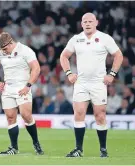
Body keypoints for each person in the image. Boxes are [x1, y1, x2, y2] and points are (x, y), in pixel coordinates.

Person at [60, 13, 123, 157]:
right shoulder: (76, 39)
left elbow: (118, 55)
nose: (87, 23)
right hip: (81, 83)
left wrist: (112, 74)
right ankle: (78, 149)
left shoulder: (104, 38)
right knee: (79, 113)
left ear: (96, 23)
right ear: (81, 24)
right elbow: (64, 56)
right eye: (85, 21)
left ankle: (103, 149)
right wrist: (69, 73)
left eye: (90, 21)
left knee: (99, 115)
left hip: (98, 83)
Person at [0, 32, 44, 155]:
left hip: (23, 87)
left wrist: (28, 85)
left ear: (10, 43)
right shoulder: (1, 54)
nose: (3, 51)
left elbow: (36, 68)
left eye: (4, 48)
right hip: (8, 89)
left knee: (26, 115)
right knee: (10, 117)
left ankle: (36, 142)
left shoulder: (25, 50)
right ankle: (14, 148)